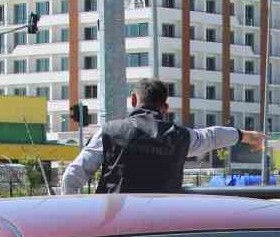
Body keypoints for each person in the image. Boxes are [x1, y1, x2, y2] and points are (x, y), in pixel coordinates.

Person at [60, 79, 265, 194]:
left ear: (133, 100)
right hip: (161, 228)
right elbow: (211, 137)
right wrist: (244, 136)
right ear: (165, 108)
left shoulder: (109, 132)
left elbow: (71, 176)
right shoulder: (180, 137)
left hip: (114, 229)